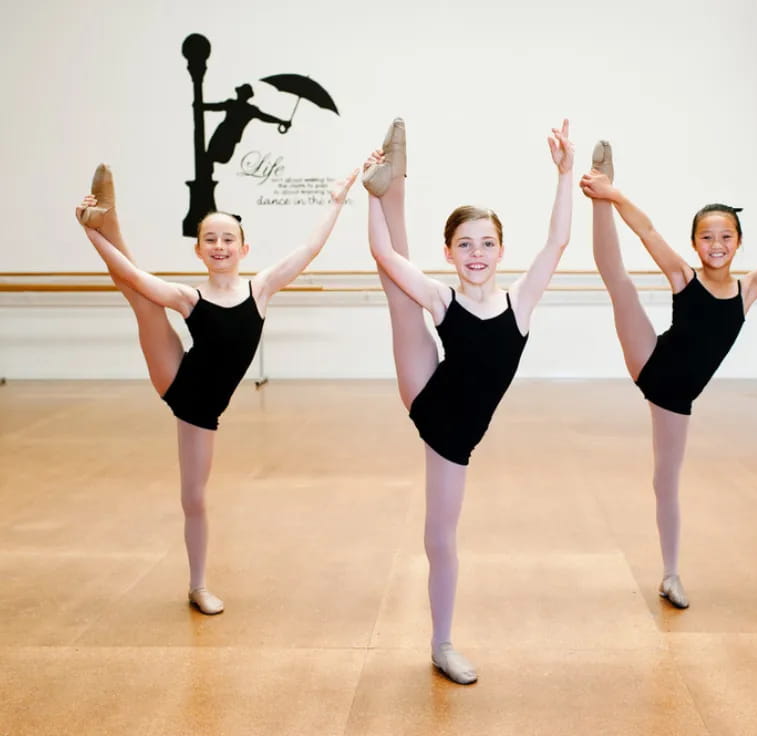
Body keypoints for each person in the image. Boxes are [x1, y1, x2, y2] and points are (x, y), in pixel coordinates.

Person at [580, 144, 757, 609]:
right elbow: (647, 230)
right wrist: (613, 194)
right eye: (706, 237)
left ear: (738, 242)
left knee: (665, 481)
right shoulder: (684, 278)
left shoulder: (749, 290)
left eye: (725, 237)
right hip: (651, 360)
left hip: (677, 397)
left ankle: (670, 575)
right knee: (619, 282)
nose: (716, 245)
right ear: (694, 244)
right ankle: (597, 197)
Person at [76, 163, 358, 614]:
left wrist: (337, 200)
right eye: (211, 239)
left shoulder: (261, 289)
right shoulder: (189, 298)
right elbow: (132, 276)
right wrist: (92, 236)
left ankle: (106, 220)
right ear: (198, 251)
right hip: (180, 384)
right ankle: (109, 219)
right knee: (142, 300)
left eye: (228, 239)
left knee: (194, 496)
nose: (220, 245)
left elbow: (310, 247)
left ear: (244, 249)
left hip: (209, 406)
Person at [363, 118, 574, 683]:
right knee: (399, 297)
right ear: (450, 253)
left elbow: (557, 242)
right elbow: (383, 253)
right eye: (464, 245)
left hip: (461, 429)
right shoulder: (442, 297)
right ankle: (443, 643)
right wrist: (368, 194)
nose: (476, 253)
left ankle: (392, 180)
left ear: (501, 249)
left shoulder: (520, 303)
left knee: (440, 536)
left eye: (486, 243)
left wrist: (565, 174)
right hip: (431, 404)